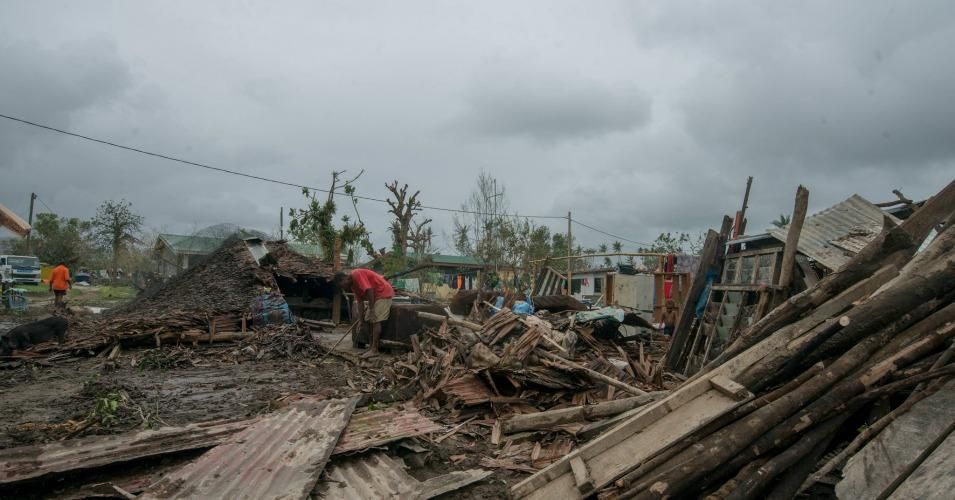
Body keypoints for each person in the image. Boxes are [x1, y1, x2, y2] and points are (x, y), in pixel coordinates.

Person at [334, 269, 394, 357]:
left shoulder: (356, 274)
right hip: (375, 296)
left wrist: (372, 310)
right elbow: (360, 303)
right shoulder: (353, 286)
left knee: (375, 319)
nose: (344, 288)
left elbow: (369, 291)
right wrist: (361, 320)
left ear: (344, 279)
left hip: (383, 293)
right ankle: (370, 348)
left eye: (342, 285)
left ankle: (375, 350)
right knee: (368, 320)